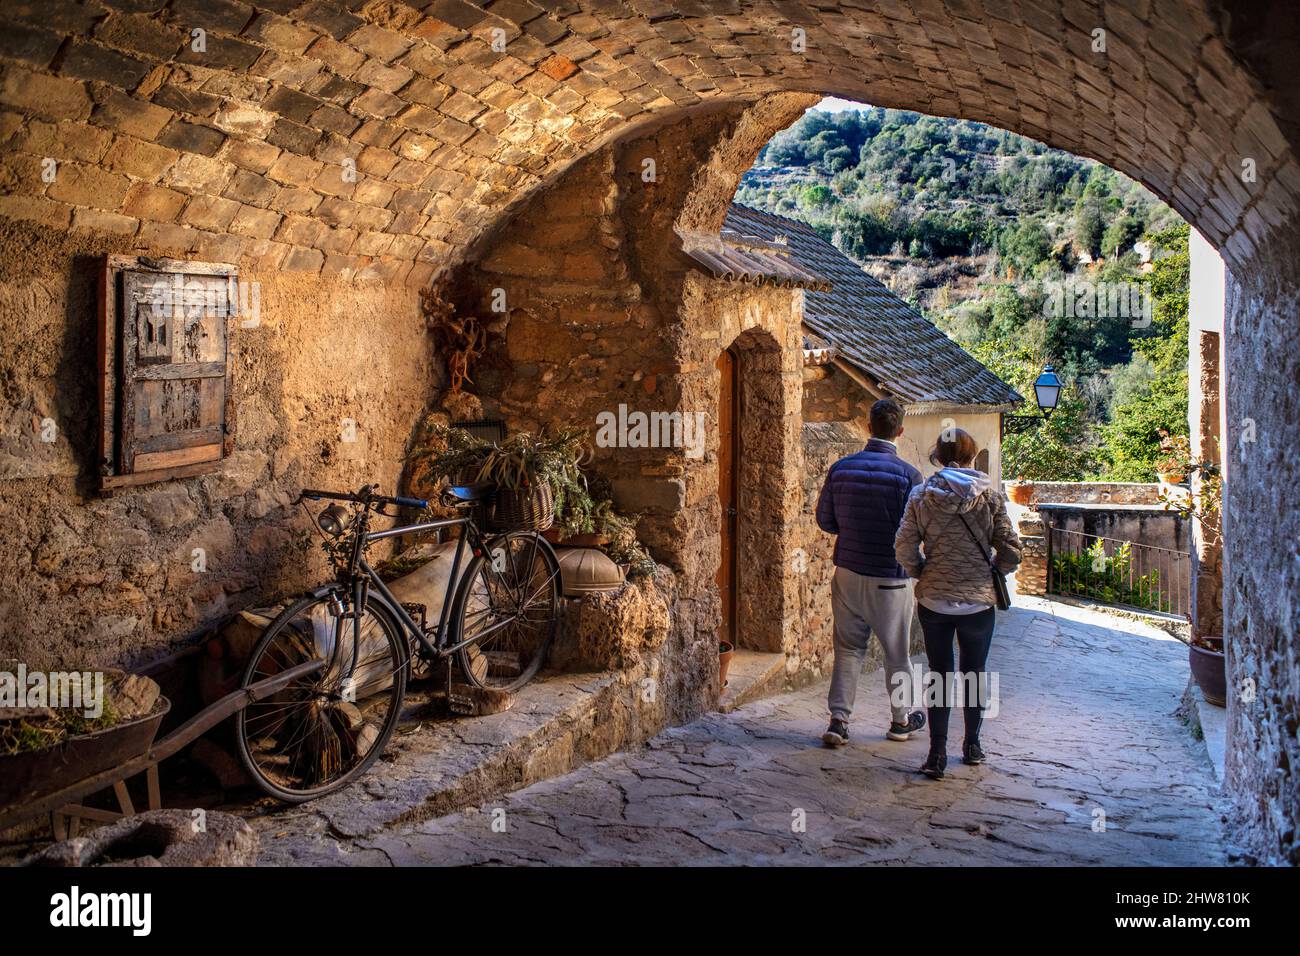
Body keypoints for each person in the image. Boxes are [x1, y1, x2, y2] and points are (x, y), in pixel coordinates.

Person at [894, 427, 1021, 779]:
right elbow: (1011, 549)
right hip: (978, 602)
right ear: (971, 455)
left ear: (939, 454)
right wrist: (995, 569)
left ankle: (936, 754)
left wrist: (922, 571)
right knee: (974, 673)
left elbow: (903, 546)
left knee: (939, 674)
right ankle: (973, 745)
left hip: (934, 600)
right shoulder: (991, 498)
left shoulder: (922, 496)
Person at [815, 398, 926, 748]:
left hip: (847, 570)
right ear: (901, 431)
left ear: (868, 426)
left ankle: (838, 721)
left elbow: (825, 520)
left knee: (848, 649)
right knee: (897, 653)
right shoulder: (910, 476)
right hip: (890, 578)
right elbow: (915, 531)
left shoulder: (841, 468)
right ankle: (900, 720)